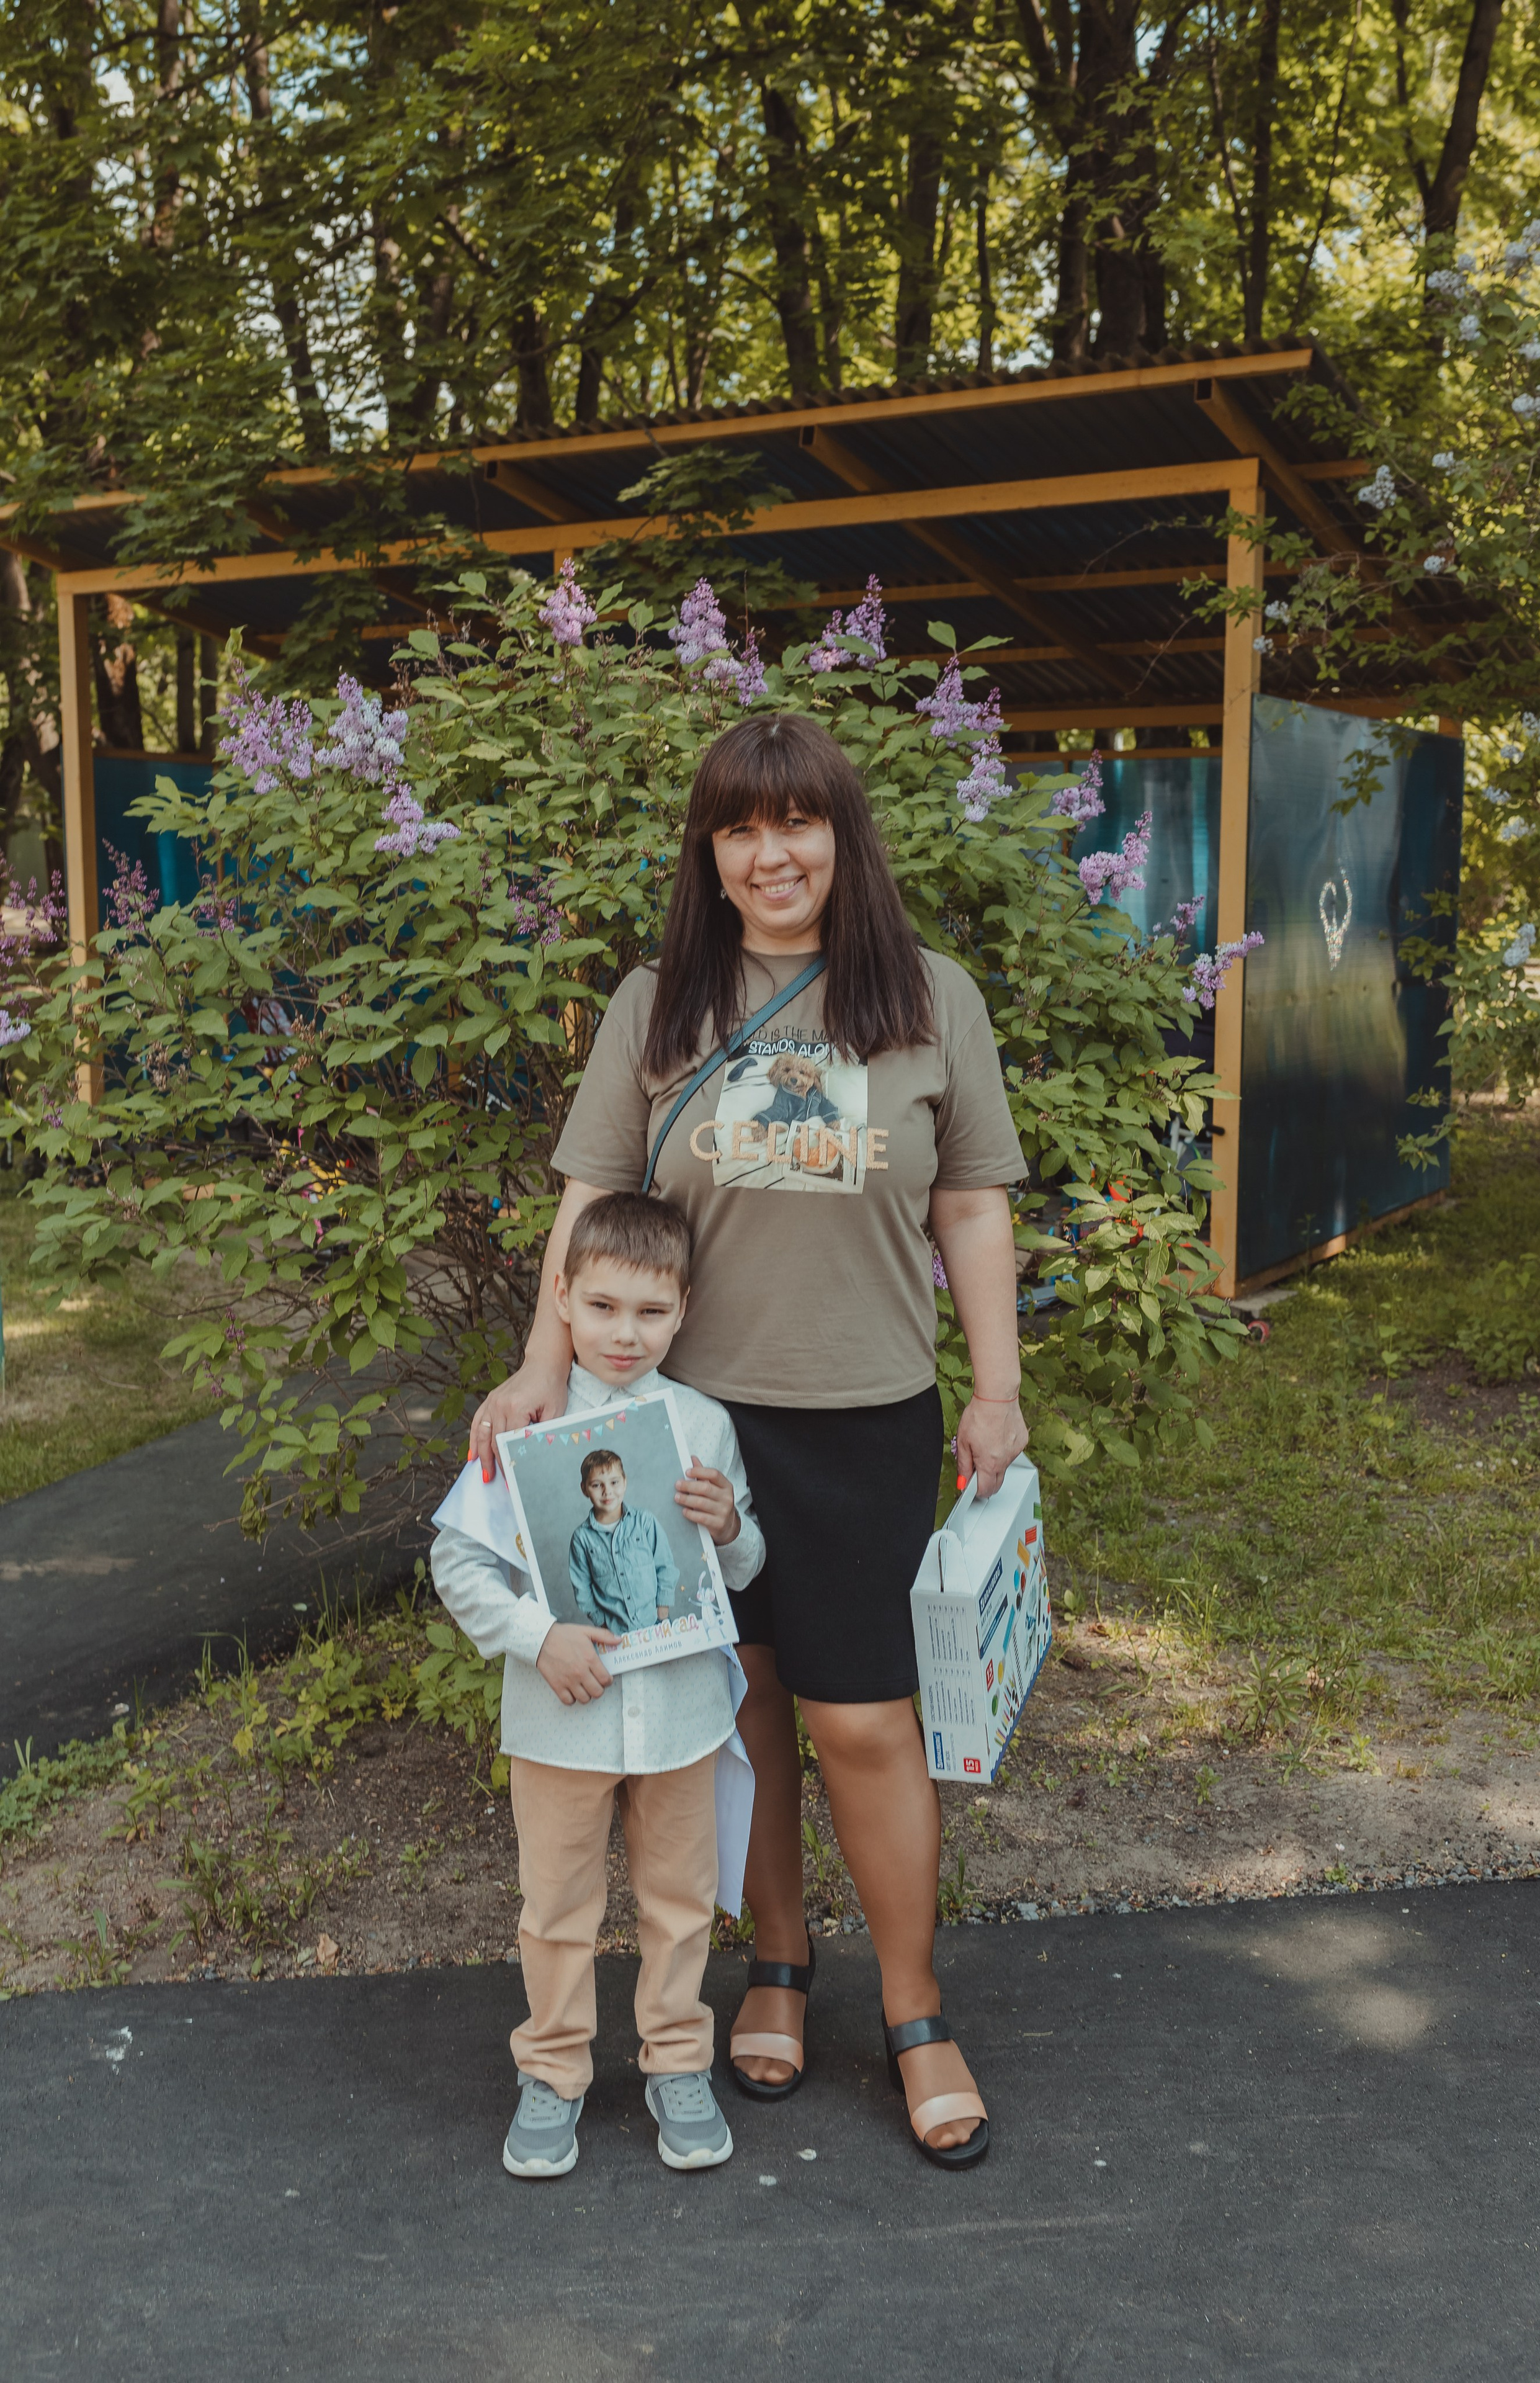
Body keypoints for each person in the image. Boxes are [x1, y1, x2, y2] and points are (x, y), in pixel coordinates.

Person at [471, 712, 1029, 2171]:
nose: (770, 852)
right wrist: (541, 1370)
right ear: (709, 852)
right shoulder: (662, 1000)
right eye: (739, 826)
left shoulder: (925, 997)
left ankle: (912, 2010)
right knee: (743, 1709)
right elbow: (591, 1199)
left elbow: (970, 1201)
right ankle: (775, 1961)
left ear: (842, 838)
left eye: (796, 821)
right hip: (679, 1426)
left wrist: (995, 1387)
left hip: (861, 1414)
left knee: (861, 1716)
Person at [431, 1191, 765, 2180]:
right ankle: (554, 2070)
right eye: (606, 1307)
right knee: (557, 1906)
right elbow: (460, 1565)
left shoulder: (701, 1424)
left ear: (685, 1310)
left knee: (680, 1901)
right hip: (558, 1723)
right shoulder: (525, 1420)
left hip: (679, 1721)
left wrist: (729, 1527)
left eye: (652, 1313)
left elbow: (741, 1571)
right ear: (563, 1298)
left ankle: (676, 2064)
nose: (627, 1333)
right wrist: (536, 1638)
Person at [568, 1451, 680, 1635]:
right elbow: (582, 1586)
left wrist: (663, 1609)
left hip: (656, 1621)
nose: (607, 1491)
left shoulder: (644, 1521)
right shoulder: (582, 1538)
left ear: (625, 1481)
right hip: (614, 1631)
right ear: (584, 1489)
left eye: (614, 1482)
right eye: (597, 1485)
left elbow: (665, 1565)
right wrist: (601, 1622)